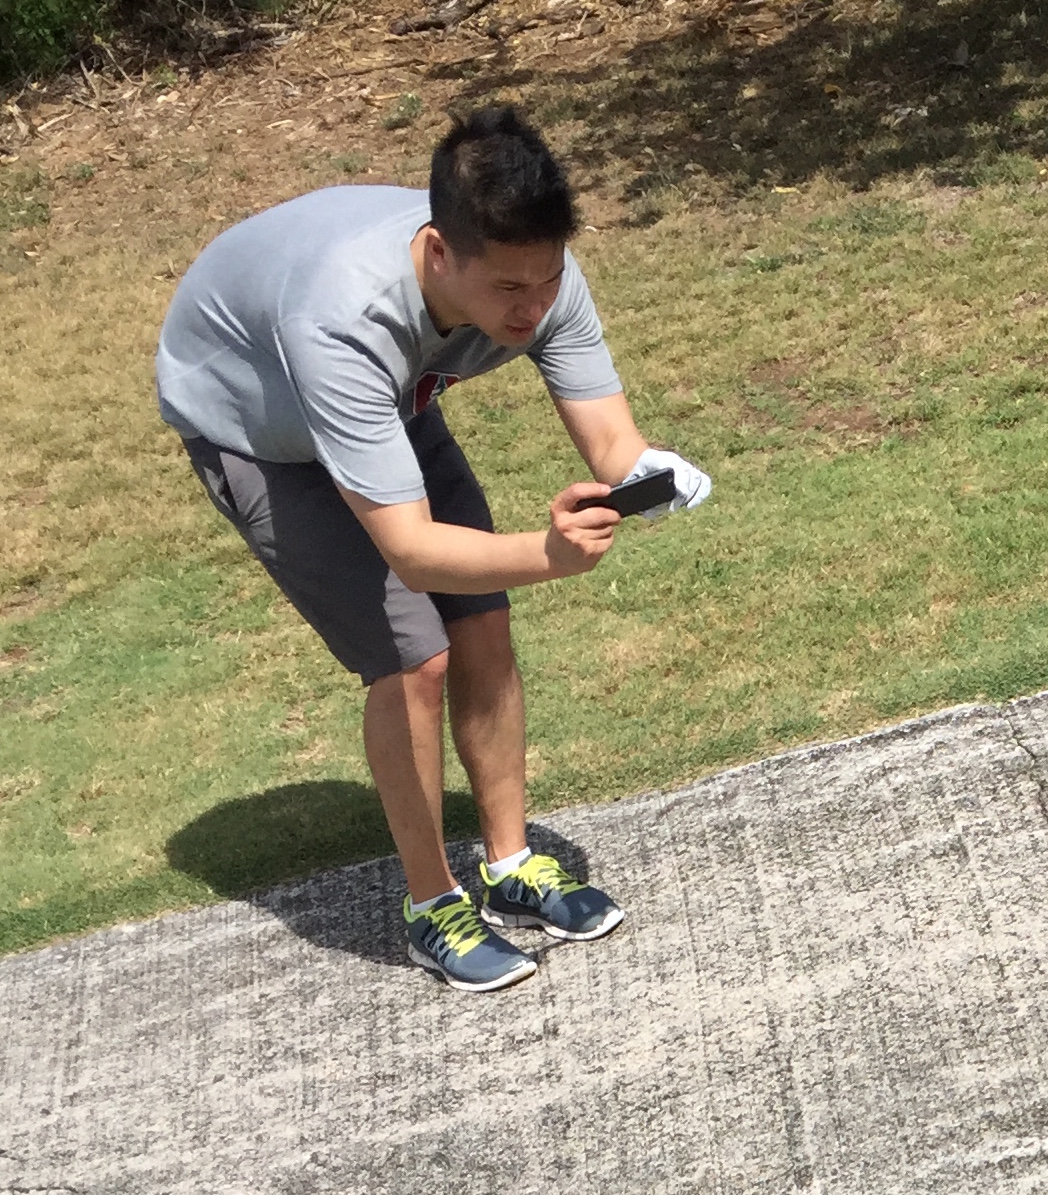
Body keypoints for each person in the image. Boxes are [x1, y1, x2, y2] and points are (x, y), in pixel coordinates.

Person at [156, 103, 710, 993]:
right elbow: (411, 553)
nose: (533, 308)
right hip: (255, 426)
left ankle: (511, 865)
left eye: (547, 280)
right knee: (414, 657)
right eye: (510, 290)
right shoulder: (344, 319)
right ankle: (432, 906)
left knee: (480, 621)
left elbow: (611, 439)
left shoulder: (536, 272)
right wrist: (550, 554)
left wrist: (646, 471)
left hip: (384, 401)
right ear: (440, 253)